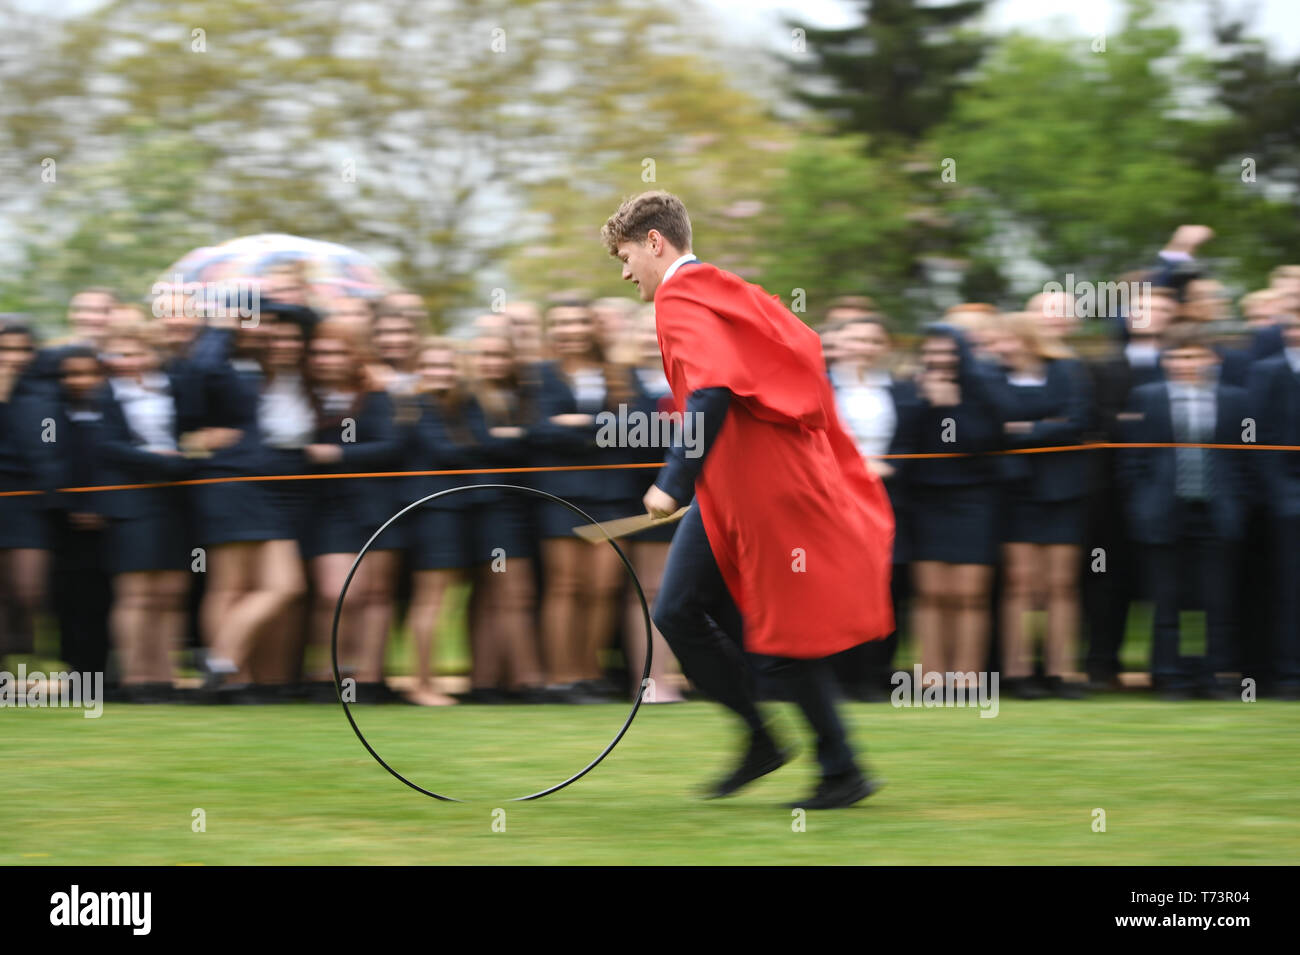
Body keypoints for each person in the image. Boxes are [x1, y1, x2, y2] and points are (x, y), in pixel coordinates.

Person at [603, 190, 894, 809]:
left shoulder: (680, 296)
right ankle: (763, 740)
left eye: (626, 257)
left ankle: (842, 770)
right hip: (734, 487)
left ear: (655, 242)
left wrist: (672, 482)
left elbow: (710, 394)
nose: (626, 273)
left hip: (764, 490)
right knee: (677, 610)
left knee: (784, 635)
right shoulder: (721, 287)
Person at [1119, 324, 1249, 699]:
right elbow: (1132, 459)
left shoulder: (1235, 399)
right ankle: (1170, 677)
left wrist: (1239, 498)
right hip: (1162, 510)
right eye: (1176, 356)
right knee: (1165, 601)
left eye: (1194, 356)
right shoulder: (1147, 396)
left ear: (1213, 360)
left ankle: (1215, 677)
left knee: (1217, 601)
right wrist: (1142, 503)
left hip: (1217, 510)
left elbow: (1248, 456)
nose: (1185, 363)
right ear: (1166, 361)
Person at [984, 313, 1092, 699]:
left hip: (1063, 490)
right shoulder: (989, 377)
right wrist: (1048, 424)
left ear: (1026, 340)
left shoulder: (1067, 370)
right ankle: (1018, 672)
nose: (997, 347)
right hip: (1014, 491)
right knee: (1020, 584)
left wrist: (1026, 430)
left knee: (1061, 585)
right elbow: (993, 427)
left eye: (1003, 339)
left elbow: (1078, 420)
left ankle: (1063, 671)